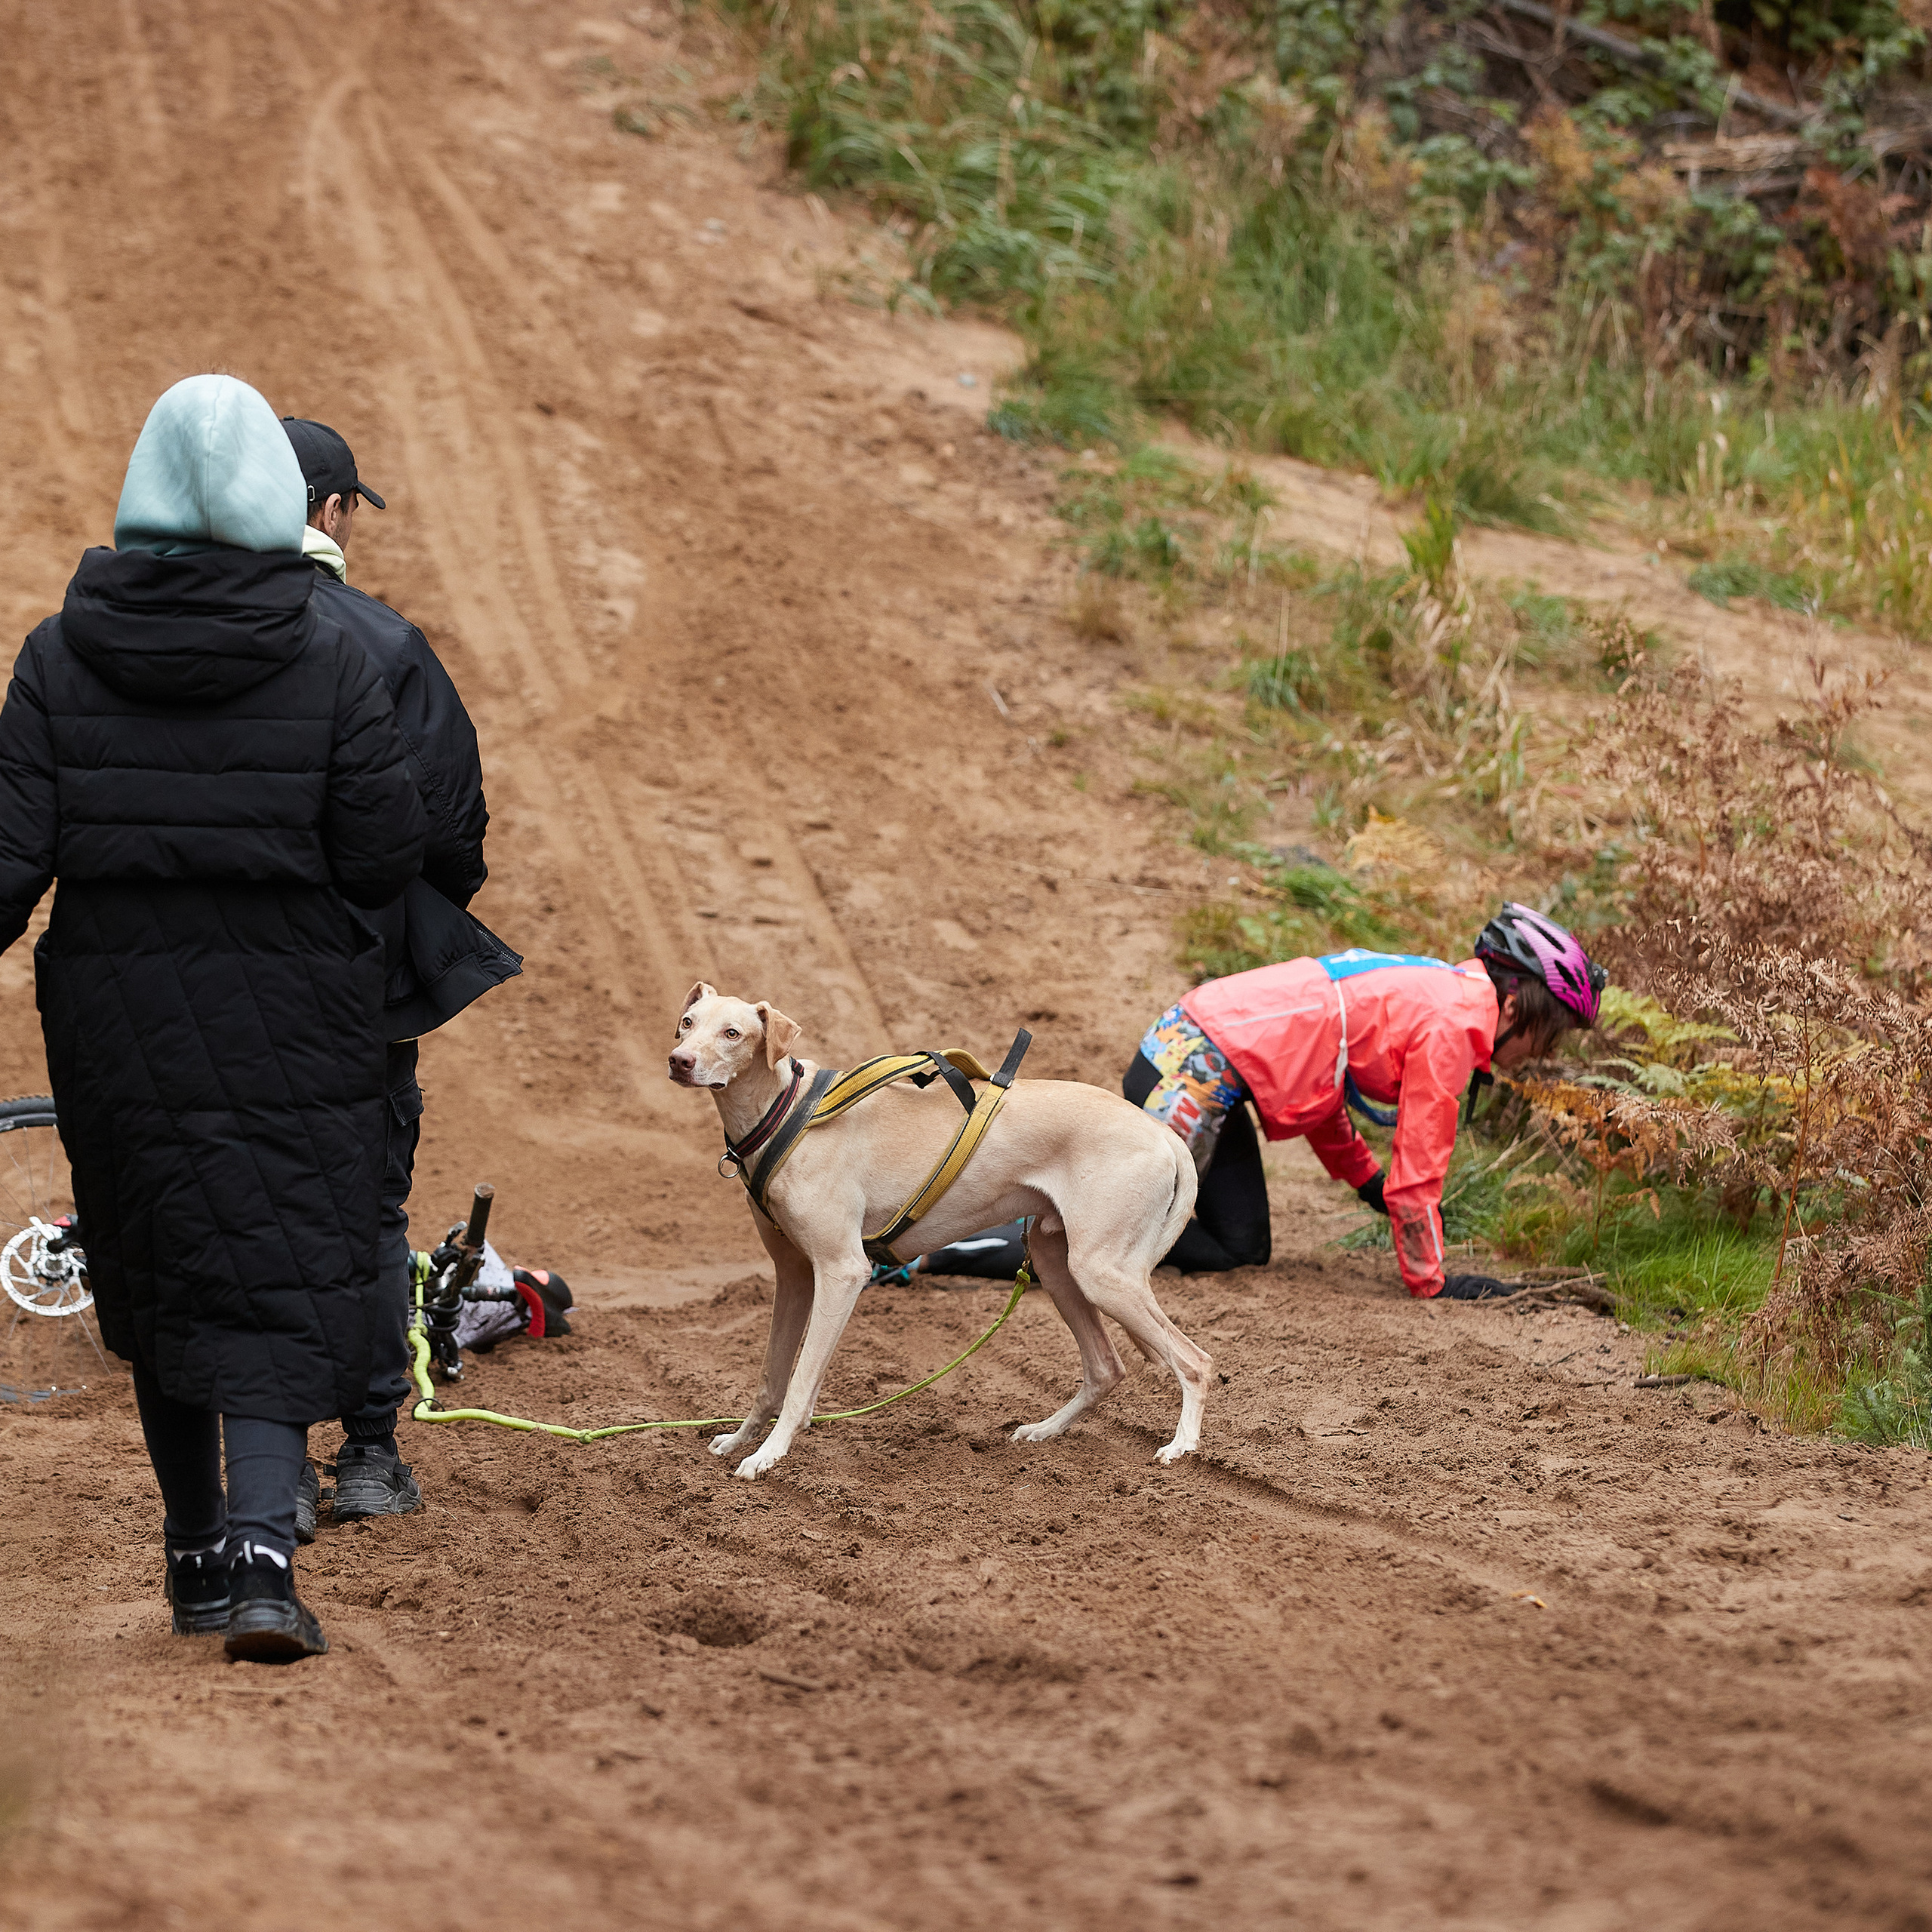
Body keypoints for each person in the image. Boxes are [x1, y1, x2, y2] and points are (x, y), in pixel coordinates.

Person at [0, 374, 427, 1661]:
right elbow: (379, 850)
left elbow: (9, 864)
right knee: (277, 1261)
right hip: (297, 1003)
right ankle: (259, 1565)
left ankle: (194, 1566)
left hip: (118, 1008)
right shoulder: (335, 647)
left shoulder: (58, 652)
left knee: (161, 1264)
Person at [888, 906, 1604, 1301]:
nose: (1541, 1054)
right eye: (1548, 1034)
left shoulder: (1439, 992)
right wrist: (1433, 1280)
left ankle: (932, 1242)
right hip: (1195, 1073)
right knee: (1097, 1244)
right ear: (1515, 1004)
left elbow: (1324, 1089)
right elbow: (1420, 1177)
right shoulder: (1454, 1025)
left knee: (1242, 1246)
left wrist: (1365, 1185)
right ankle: (916, 1252)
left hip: (1202, 1066)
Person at [278, 417, 518, 1537]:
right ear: (331, 512)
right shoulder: (381, 644)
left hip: (205, 987)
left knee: (236, 1210)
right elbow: (455, 827)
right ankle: (368, 1456)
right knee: (364, 1211)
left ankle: (264, 1461)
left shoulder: (151, 633)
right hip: (350, 985)